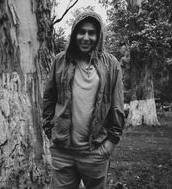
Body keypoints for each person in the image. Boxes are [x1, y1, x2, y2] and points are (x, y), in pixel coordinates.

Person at [43, 11, 125, 189]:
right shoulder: (60, 61)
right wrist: (50, 132)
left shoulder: (111, 64)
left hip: (95, 151)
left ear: (98, 35)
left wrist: (110, 143)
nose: (86, 37)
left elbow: (118, 106)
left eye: (91, 33)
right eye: (81, 32)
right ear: (74, 34)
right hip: (62, 151)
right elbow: (49, 98)